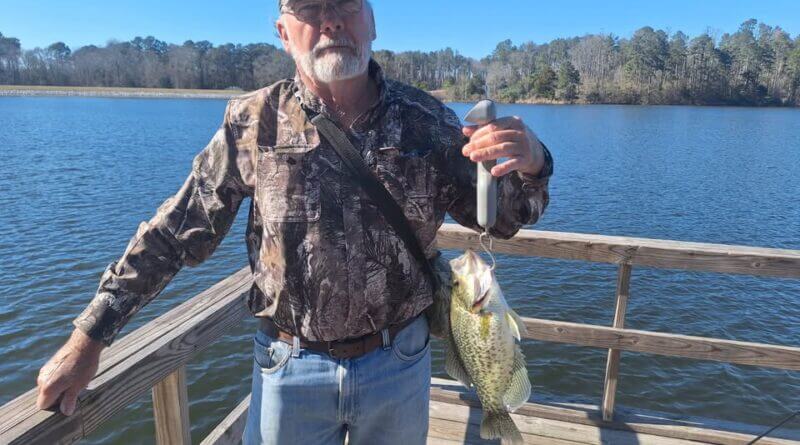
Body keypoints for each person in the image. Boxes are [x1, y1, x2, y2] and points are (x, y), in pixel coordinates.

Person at [35, 0, 553, 443]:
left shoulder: (427, 119)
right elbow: (175, 233)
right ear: (284, 32)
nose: (330, 20)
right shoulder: (252, 121)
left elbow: (502, 220)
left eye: (346, 4)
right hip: (289, 365)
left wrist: (533, 163)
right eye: (309, 7)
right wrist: (90, 337)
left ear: (372, 22)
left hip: (400, 359)